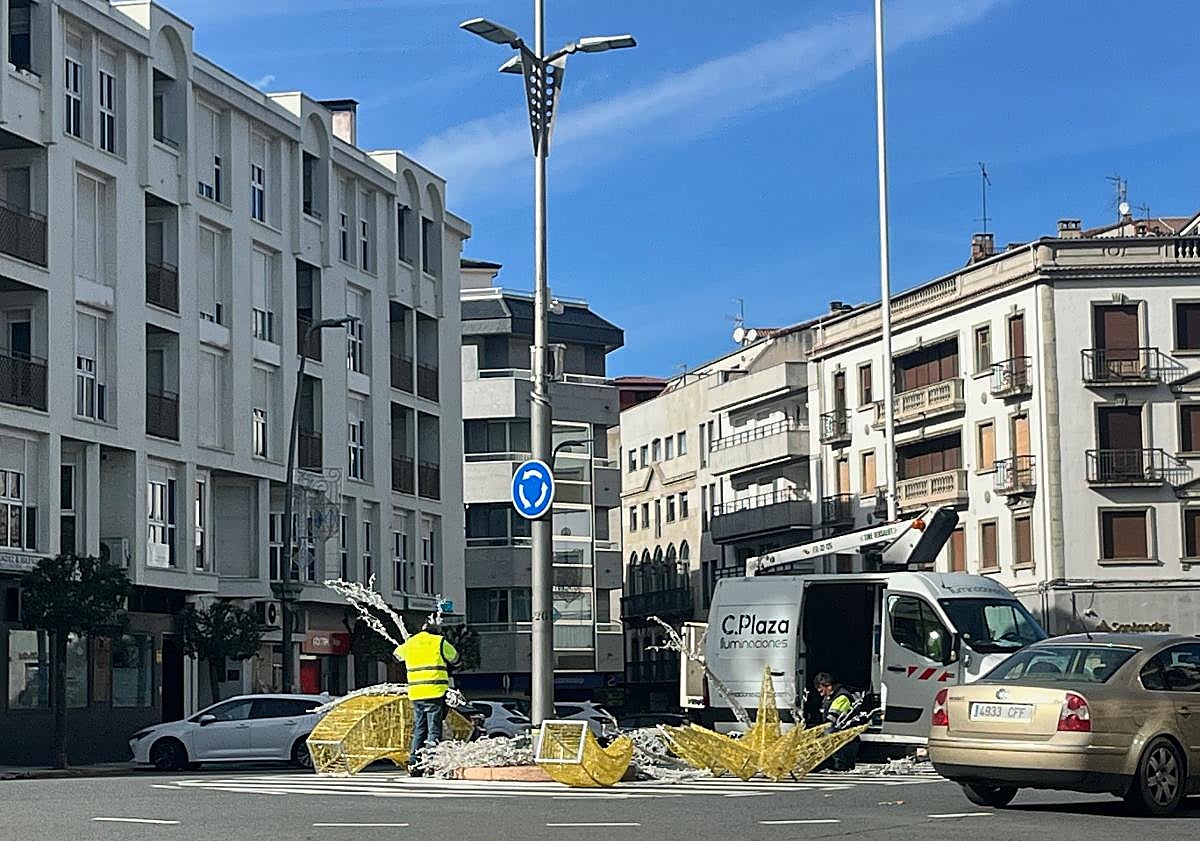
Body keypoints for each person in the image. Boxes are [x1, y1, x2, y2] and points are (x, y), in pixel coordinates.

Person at [394, 621, 459, 776]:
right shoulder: (439, 641)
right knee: (434, 729)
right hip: (435, 691)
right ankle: (430, 762)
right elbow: (455, 658)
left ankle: (414, 763)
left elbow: (396, 656)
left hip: (416, 693)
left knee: (419, 729)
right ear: (435, 631)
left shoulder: (411, 642)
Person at [814, 672, 860, 771]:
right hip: (843, 740)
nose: (819, 692)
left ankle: (840, 763)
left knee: (828, 732)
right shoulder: (830, 697)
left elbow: (831, 721)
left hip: (847, 742)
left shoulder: (842, 698)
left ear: (828, 686)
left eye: (820, 688)